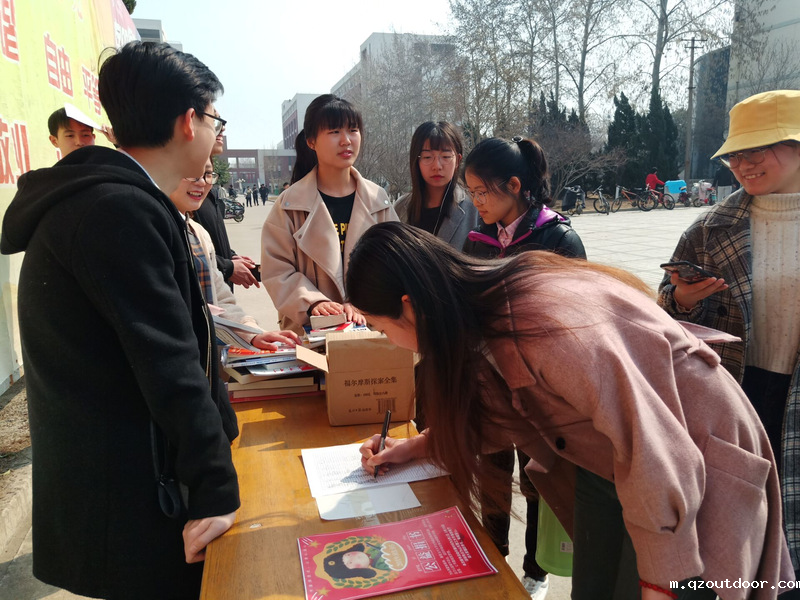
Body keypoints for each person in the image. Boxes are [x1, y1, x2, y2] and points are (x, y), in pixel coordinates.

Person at [350, 222, 793, 600]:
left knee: (678, 580)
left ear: (410, 306)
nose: (389, 342)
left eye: (382, 328)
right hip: (615, 466)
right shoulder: (484, 311)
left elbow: (656, 453)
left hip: (685, 464)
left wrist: (662, 584)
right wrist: (416, 448)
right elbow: (501, 415)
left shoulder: (543, 323)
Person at [0, 41, 240, 599]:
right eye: (215, 120)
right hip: (135, 498)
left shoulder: (115, 199)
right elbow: (169, 364)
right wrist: (215, 489)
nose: (214, 136)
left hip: (128, 482)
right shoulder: (117, 210)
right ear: (189, 121)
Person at [658, 89, 800, 591]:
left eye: (756, 149)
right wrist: (683, 300)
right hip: (734, 394)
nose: (741, 164)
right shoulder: (709, 229)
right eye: (734, 154)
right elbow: (665, 318)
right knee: (733, 534)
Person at [460, 136, 586, 599]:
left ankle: (536, 571)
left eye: (482, 191)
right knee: (492, 476)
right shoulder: (480, 240)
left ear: (514, 185)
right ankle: (494, 558)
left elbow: (577, 316)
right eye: (471, 193)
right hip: (490, 382)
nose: (476, 202)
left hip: (540, 388)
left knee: (537, 480)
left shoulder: (558, 238)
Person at [261, 94, 397, 333]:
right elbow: (276, 270)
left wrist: (364, 302)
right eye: (334, 132)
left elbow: (395, 265)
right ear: (311, 141)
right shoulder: (290, 205)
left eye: (353, 130)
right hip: (310, 333)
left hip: (369, 332)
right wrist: (314, 302)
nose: (346, 140)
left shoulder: (379, 201)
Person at [170, 158, 299, 350]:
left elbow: (221, 300)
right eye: (191, 173)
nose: (202, 182)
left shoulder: (197, 233)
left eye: (207, 174)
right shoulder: (151, 229)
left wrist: (252, 334)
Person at [193, 116, 258, 291]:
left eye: (208, 174)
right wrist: (227, 266)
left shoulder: (207, 192)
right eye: (212, 119)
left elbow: (209, 243)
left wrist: (230, 257)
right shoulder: (185, 194)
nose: (222, 128)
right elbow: (187, 252)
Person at [393, 121, 477, 250]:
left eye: (446, 156)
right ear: (416, 161)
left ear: (458, 160)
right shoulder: (400, 208)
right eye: (427, 157)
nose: (437, 166)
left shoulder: (474, 208)